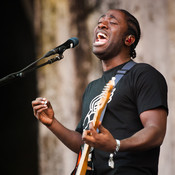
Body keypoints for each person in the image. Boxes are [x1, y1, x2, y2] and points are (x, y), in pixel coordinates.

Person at [32, 9, 168, 175]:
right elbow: (85, 143)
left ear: (129, 39)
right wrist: (53, 123)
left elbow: (156, 131)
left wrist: (116, 145)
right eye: (100, 22)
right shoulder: (92, 87)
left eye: (112, 23)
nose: (101, 24)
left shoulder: (143, 75)